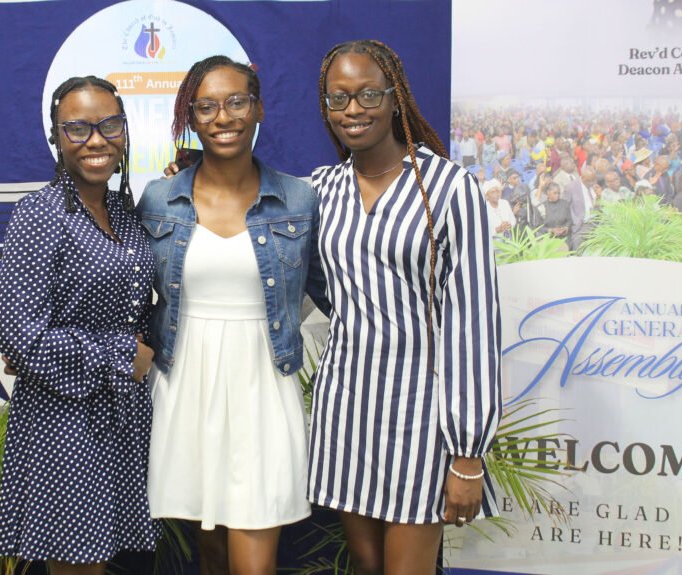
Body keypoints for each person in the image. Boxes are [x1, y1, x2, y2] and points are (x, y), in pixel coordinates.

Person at [309, 40, 502, 575]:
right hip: (346, 408)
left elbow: (472, 322)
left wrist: (467, 454)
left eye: (369, 93)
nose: (354, 109)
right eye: (339, 98)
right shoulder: (323, 190)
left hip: (421, 416)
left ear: (396, 99)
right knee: (367, 568)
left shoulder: (448, 188)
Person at [140, 55, 329, 575]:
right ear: (191, 119)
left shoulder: (299, 197)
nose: (223, 117)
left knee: (252, 548)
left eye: (236, 102)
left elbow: (336, 292)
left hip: (262, 383)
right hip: (185, 380)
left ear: (259, 108)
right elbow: (129, 289)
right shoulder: (159, 198)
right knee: (211, 548)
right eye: (206, 107)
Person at [0, 76, 159, 574]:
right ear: (56, 137)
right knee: (77, 564)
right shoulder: (39, 215)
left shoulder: (124, 213)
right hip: (63, 421)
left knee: (109, 561)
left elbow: (133, 304)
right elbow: (17, 335)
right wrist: (121, 354)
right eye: (78, 128)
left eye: (109, 125)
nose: (96, 140)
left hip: (121, 417)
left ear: (125, 132)